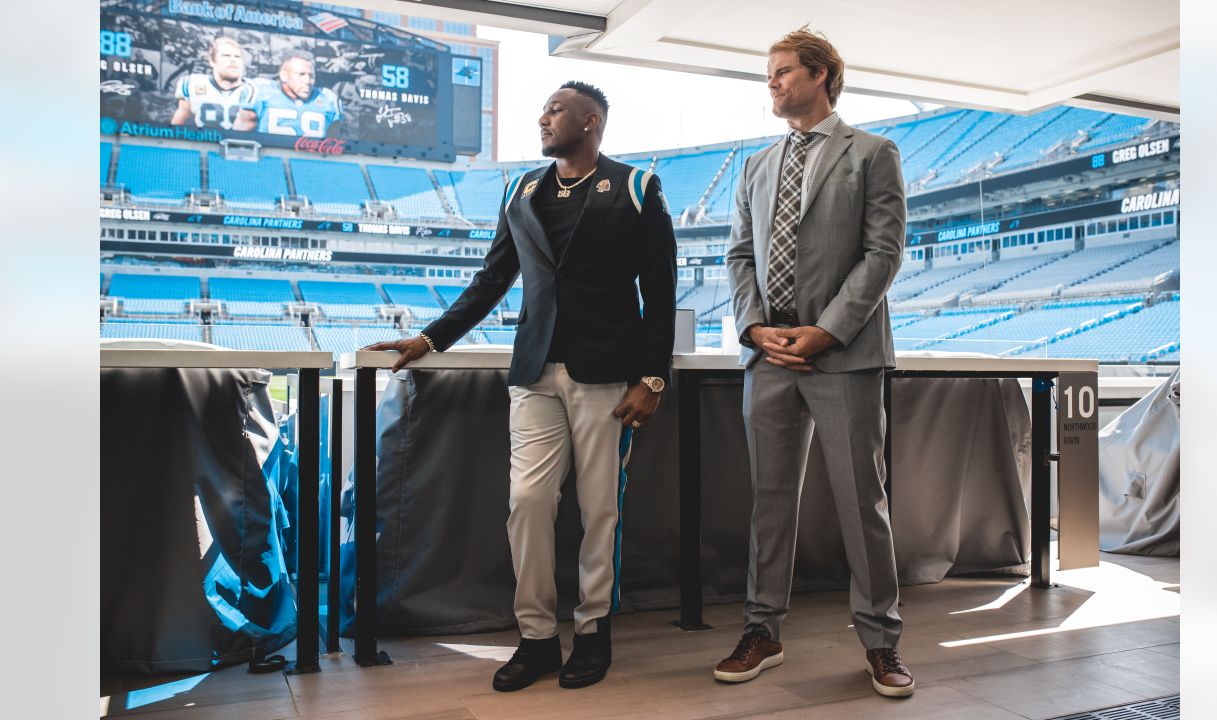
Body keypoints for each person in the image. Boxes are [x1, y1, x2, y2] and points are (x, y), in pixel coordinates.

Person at [365, 81, 676, 692]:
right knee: (527, 505)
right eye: (544, 110)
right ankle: (536, 639)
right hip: (534, 372)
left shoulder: (638, 187)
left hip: (608, 376)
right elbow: (492, 279)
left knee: (600, 512)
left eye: (555, 110)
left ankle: (593, 633)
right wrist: (431, 339)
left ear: (590, 121)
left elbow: (660, 291)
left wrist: (653, 378)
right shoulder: (521, 189)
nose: (543, 117)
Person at [717, 28, 914, 698]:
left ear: (823, 74)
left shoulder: (874, 154)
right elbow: (739, 255)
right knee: (770, 503)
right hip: (769, 357)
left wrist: (826, 332)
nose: (770, 82)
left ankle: (882, 644)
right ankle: (762, 630)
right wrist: (752, 328)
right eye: (767, 73)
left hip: (845, 356)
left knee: (864, 501)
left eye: (782, 71)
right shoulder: (755, 165)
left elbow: (882, 255)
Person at [236, 49, 342, 137]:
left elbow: (334, 143)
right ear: (284, 75)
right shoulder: (261, 92)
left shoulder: (328, 98)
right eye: (301, 74)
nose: (307, 81)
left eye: (311, 76)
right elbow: (239, 138)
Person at [170, 36, 256, 131]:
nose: (233, 60)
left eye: (237, 57)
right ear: (212, 61)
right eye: (226, 56)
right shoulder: (192, 83)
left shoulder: (254, 89)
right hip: (203, 143)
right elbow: (178, 124)